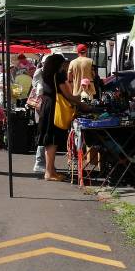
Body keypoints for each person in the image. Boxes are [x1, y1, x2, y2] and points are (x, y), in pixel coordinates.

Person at [39, 53, 85, 182]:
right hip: (55, 107)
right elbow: (67, 95)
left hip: (47, 105)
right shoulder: (58, 75)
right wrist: (80, 103)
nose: (65, 65)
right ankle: (49, 172)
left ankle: (51, 170)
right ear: (58, 64)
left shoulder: (46, 74)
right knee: (53, 140)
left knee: (49, 140)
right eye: (63, 63)